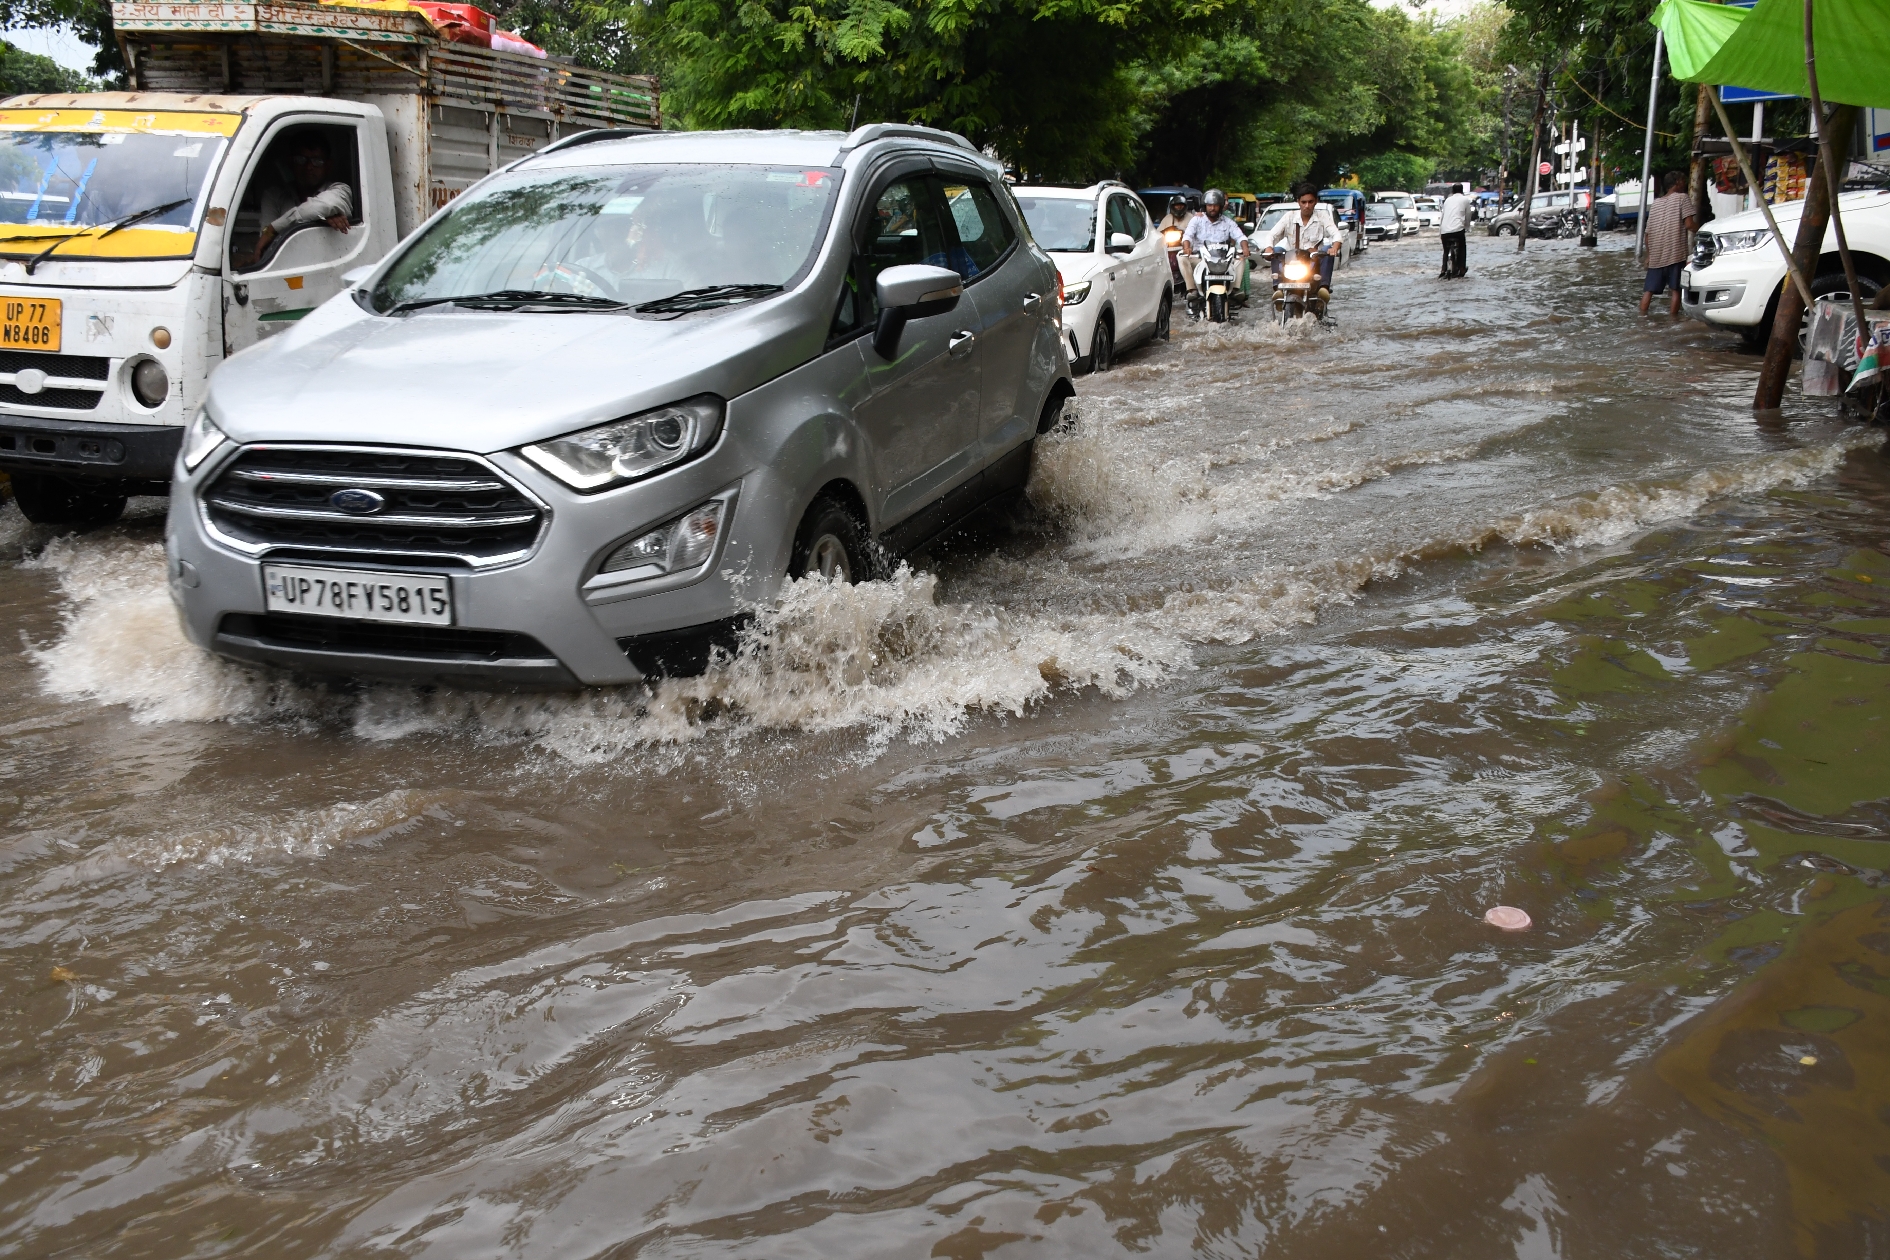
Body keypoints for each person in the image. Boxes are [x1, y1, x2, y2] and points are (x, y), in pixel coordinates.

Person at [242, 134, 353, 269]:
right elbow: (267, 243)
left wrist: (275, 228)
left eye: (317, 161)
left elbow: (325, 206)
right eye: (301, 160)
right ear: (290, 163)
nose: (308, 167)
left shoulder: (340, 190)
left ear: (328, 166)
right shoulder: (274, 195)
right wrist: (318, 219)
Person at [1259, 180, 1342, 297]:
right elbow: (1272, 235)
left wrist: (1334, 247)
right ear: (1298, 202)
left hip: (1313, 261)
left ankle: (1324, 288)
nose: (1307, 206)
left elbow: (1336, 234)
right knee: (1276, 250)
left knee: (1327, 250)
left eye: (1310, 202)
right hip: (1292, 261)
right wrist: (1268, 248)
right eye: (1303, 202)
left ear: (1316, 202)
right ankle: (1278, 289)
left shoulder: (1323, 216)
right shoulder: (1289, 217)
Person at [1180, 189, 1250, 310]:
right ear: (1205, 206)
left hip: (1223, 260)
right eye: (1210, 205)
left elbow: (1240, 236)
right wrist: (1186, 248)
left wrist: (1245, 248)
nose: (1212, 208)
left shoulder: (1228, 222)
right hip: (1201, 260)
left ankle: (1234, 290)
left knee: (1241, 258)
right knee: (1180, 257)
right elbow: (1188, 236)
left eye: (1215, 205)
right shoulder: (1197, 220)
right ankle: (1192, 290)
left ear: (1221, 207)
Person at [1640, 170, 1696, 316]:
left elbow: (1647, 235)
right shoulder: (1682, 198)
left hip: (1656, 255)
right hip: (1675, 253)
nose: (1685, 184)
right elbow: (1689, 224)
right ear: (1677, 183)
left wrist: (1649, 256)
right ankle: (1673, 321)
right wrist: (1704, 230)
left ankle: (1641, 319)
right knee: (1676, 290)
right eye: (1683, 181)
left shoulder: (1656, 203)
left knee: (1648, 291)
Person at [1439, 182, 1470, 279]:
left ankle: (1443, 269)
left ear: (1452, 191)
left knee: (1445, 250)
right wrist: (1467, 227)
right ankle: (1462, 268)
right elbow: (1468, 215)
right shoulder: (1465, 200)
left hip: (1444, 230)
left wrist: (1440, 230)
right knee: (1462, 248)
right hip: (1458, 230)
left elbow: (1443, 216)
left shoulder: (1447, 200)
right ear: (1462, 191)